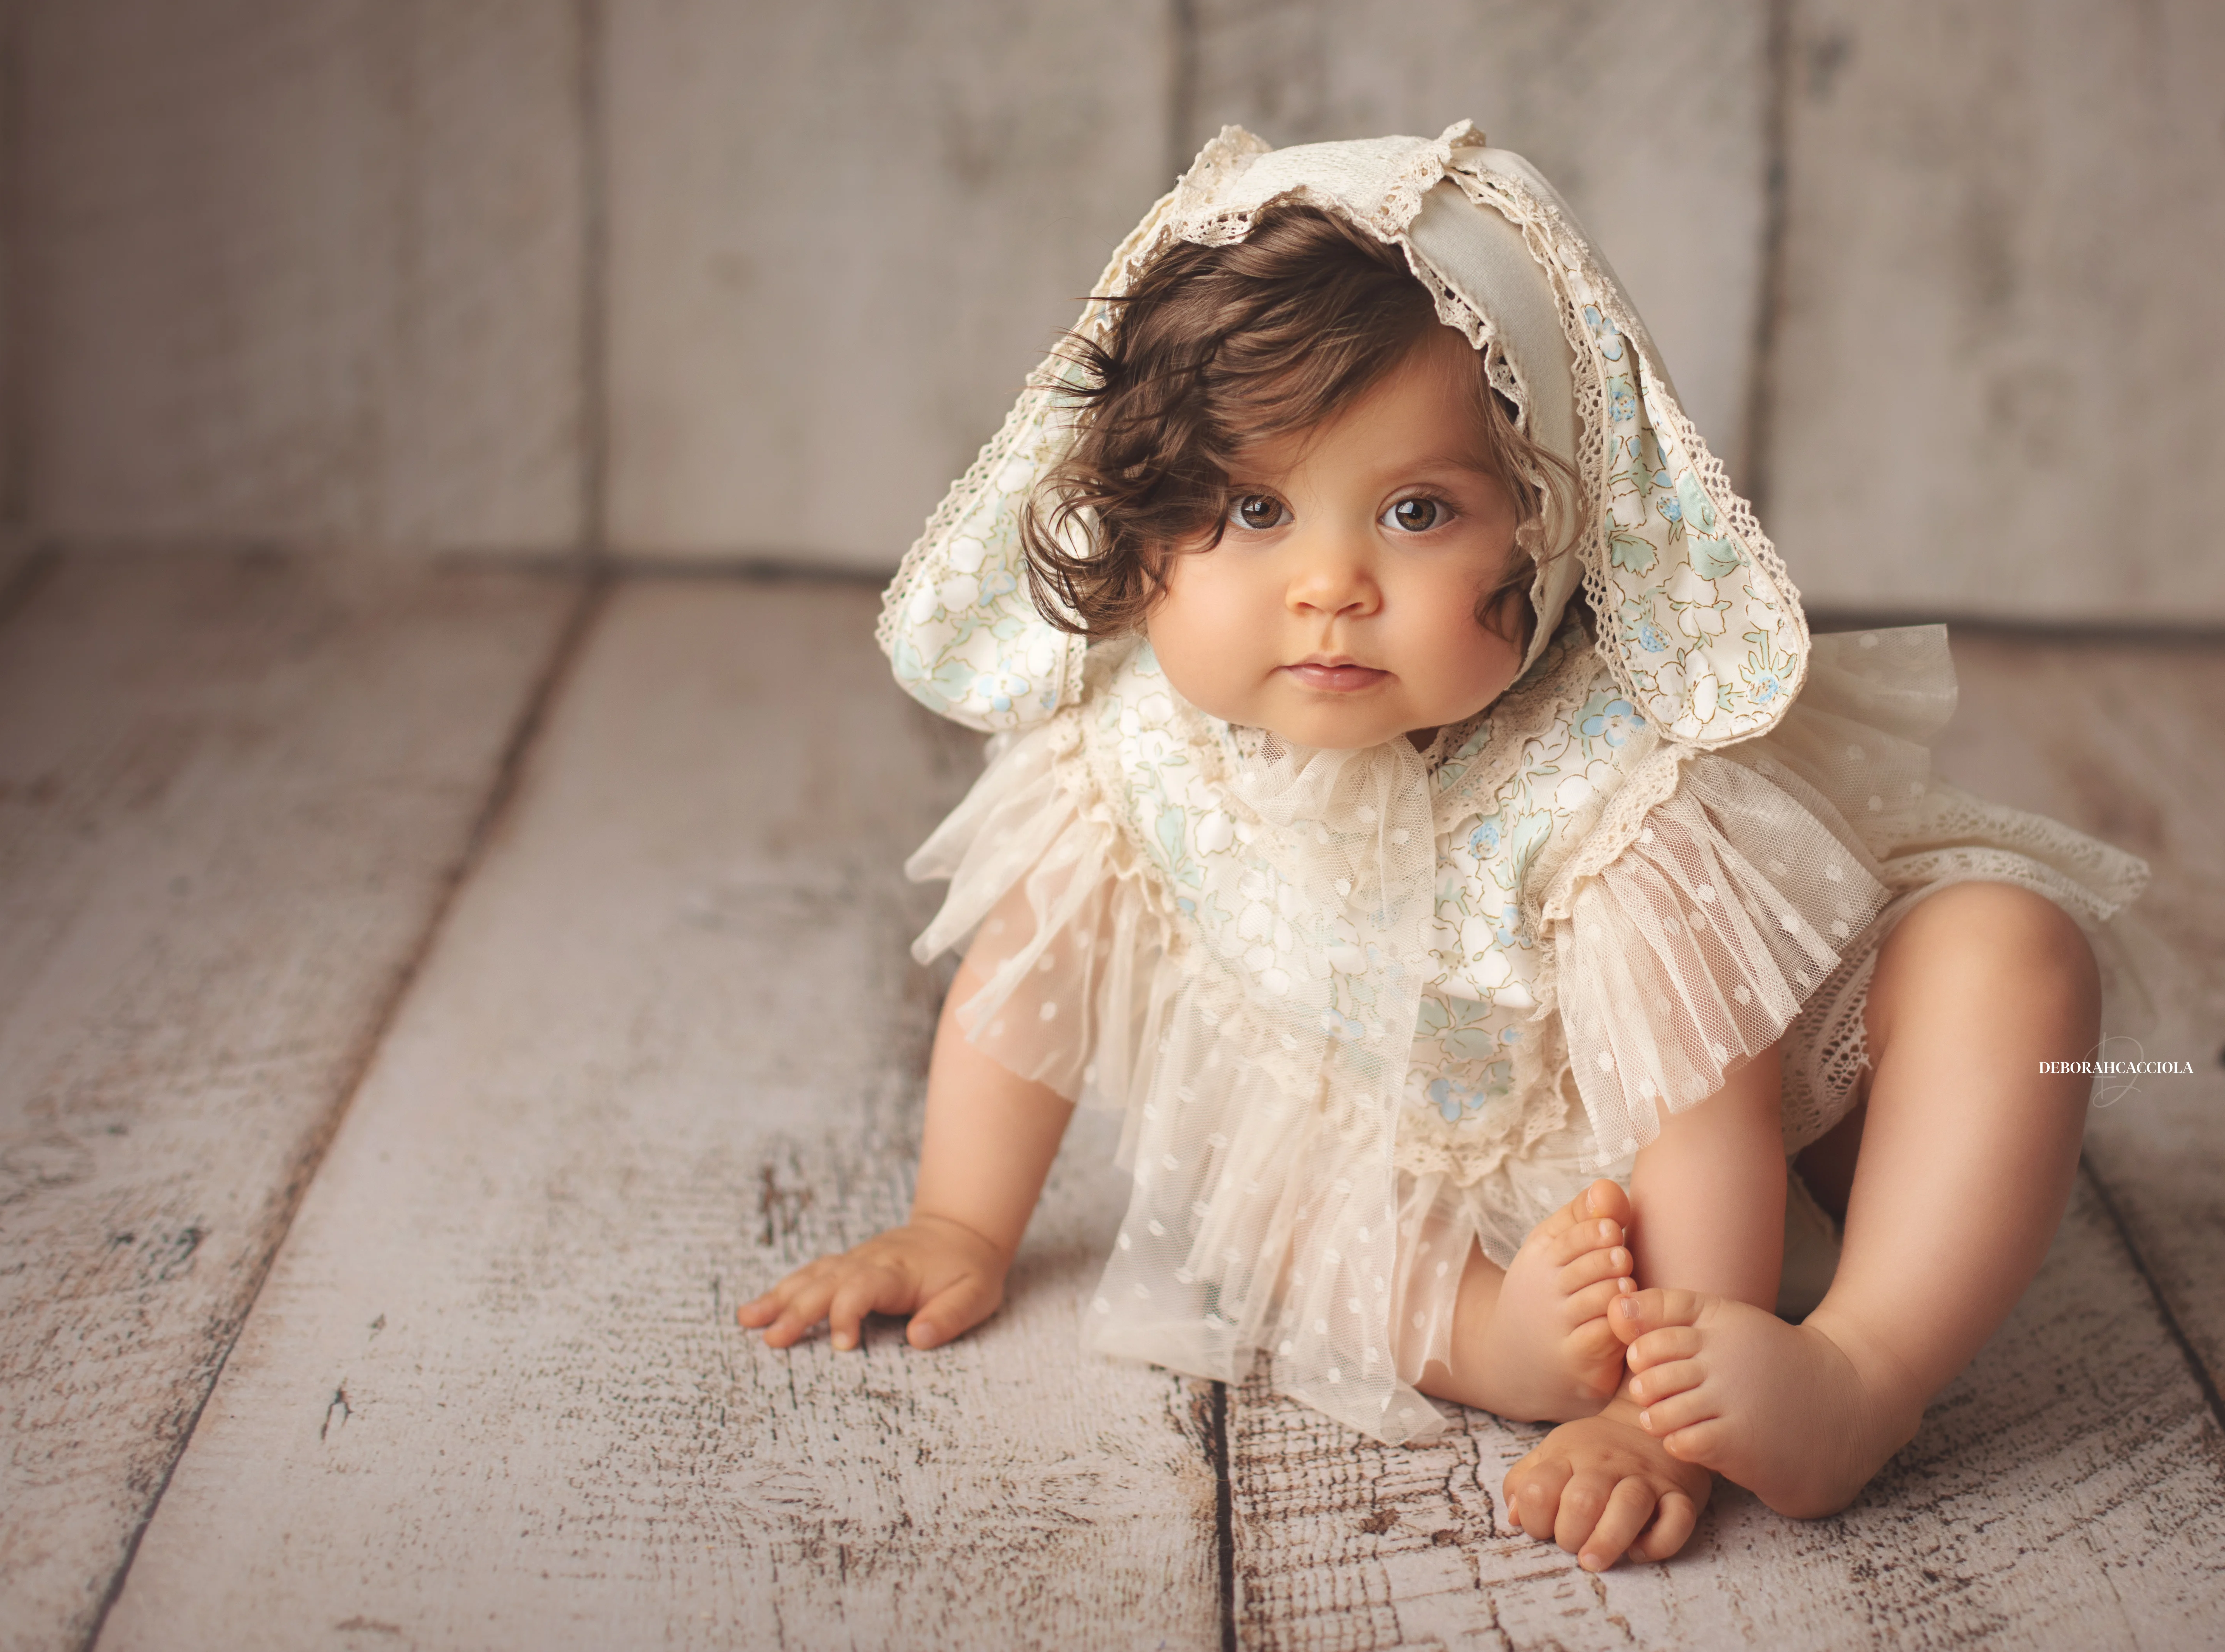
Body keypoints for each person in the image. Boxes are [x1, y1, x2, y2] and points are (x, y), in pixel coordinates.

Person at [739, 125, 2146, 1571]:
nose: (1331, 584)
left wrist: (1660, 1417)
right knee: (1263, 1220)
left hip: (1758, 1148)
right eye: (1254, 508)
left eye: (1417, 512)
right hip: (1414, 1165)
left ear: (1545, 527)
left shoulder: (1608, 787)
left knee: (2011, 959)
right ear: (1143, 515)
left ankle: (1861, 1366)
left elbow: (1704, 1114)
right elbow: (1023, 976)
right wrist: (959, 1223)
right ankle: (1502, 1347)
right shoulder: (1131, 738)